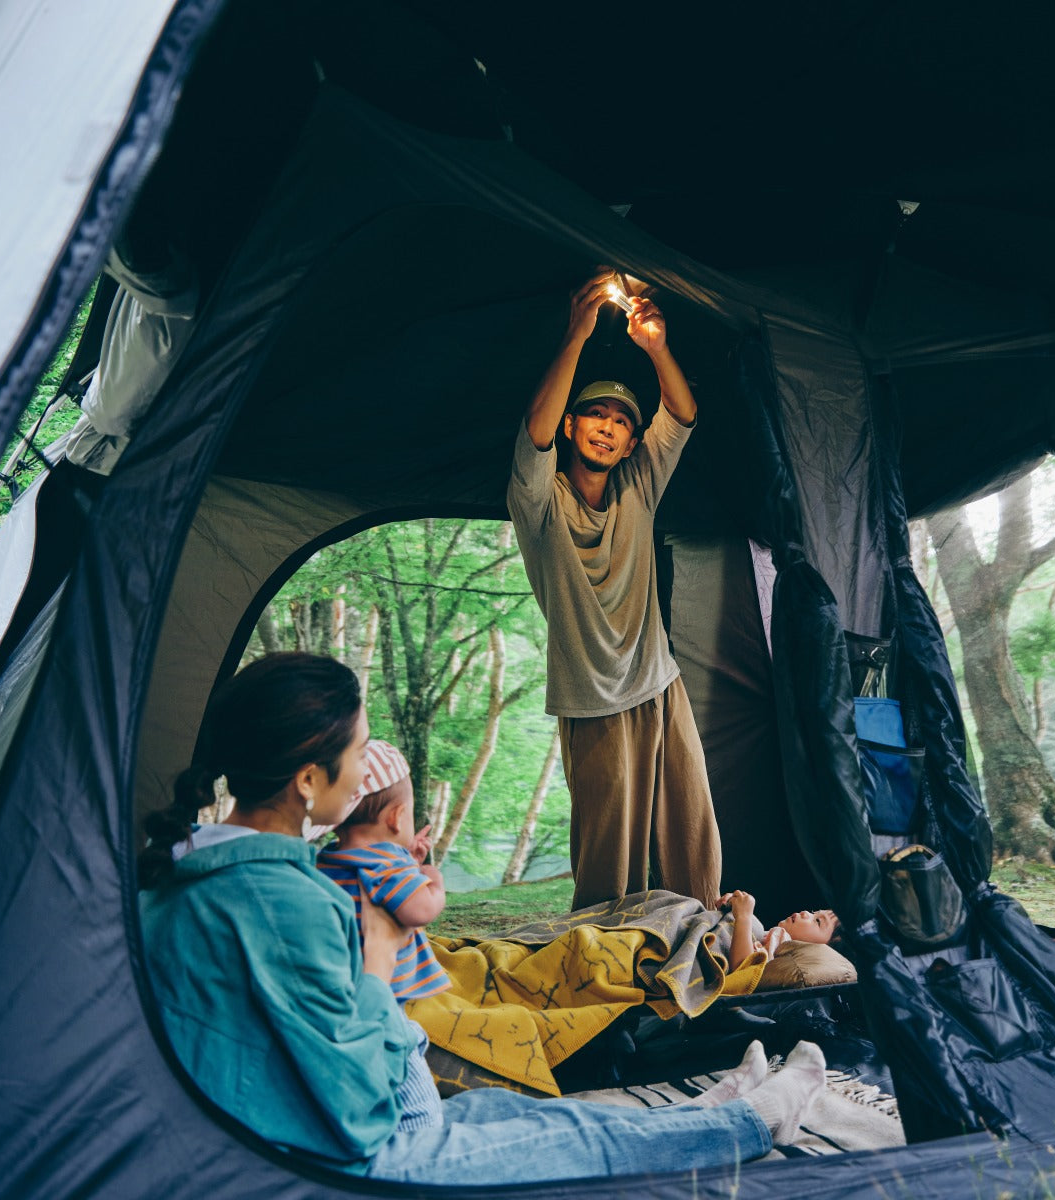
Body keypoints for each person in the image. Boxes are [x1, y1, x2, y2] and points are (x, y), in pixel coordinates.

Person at [138, 652, 827, 1186]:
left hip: (260, 1120)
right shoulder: (285, 901)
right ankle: (750, 1124)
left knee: (505, 1114)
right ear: (309, 781)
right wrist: (377, 973)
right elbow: (367, 1116)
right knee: (564, 1145)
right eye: (356, 755)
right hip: (330, 1156)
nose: (362, 780)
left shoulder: (185, 869)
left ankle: (699, 1114)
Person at [508, 270, 722, 910]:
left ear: (632, 441)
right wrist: (579, 332)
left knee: (692, 833)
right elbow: (534, 438)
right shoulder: (539, 502)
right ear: (573, 427)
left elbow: (682, 414)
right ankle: (605, 966)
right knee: (611, 853)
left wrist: (654, 346)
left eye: (621, 421)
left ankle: (703, 940)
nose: (607, 427)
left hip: (659, 683)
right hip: (590, 699)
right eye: (595, 415)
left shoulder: (640, 488)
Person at [317, 740, 451, 1004]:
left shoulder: (328, 859)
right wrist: (432, 880)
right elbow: (420, 910)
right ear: (397, 817)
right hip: (386, 987)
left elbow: (382, 890)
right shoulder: (386, 865)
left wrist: (408, 861)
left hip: (342, 979)